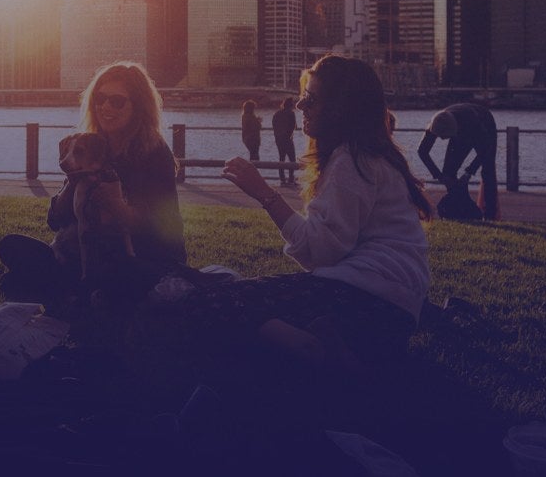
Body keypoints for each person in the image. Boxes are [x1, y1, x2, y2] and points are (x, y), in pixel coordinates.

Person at [173, 54, 433, 376]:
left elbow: (321, 252)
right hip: (395, 309)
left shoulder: (351, 162)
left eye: (310, 100)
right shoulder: (369, 158)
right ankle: (312, 343)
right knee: (234, 299)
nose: (299, 106)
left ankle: (316, 352)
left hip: (365, 300)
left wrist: (265, 194)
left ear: (340, 109)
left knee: (209, 306)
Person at [0, 62, 187, 307]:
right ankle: (76, 291)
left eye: (117, 101)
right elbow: (55, 220)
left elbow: (166, 230)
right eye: (100, 98)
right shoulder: (90, 146)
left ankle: (72, 292)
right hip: (86, 252)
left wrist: (119, 208)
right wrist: (72, 185)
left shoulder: (154, 153)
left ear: (138, 106)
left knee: (117, 276)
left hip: (142, 256)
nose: (105, 106)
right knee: (12, 247)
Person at [417, 103, 499, 220]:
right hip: (458, 126)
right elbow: (422, 151)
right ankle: (459, 207)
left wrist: (468, 173)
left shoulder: (473, 123)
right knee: (448, 173)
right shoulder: (435, 124)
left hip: (484, 122)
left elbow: (486, 149)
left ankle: (490, 215)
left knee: (488, 171)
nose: (442, 139)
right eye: (440, 136)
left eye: (445, 136)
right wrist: (439, 176)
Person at [271, 96, 297, 186]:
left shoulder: (277, 113)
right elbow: (293, 126)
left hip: (278, 139)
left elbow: (274, 125)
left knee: (281, 158)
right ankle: (291, 179)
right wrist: (289, 135)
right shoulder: (291, 113)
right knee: (292, 159)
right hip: (287, 139)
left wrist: (277, 135)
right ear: (291, 105)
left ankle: (282, 180)